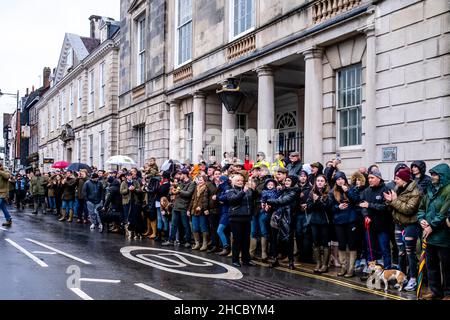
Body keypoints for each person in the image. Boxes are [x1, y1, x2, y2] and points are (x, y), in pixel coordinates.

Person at [383, 167, 421, 291]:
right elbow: (393, 208)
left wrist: (394, 201)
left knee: (410, 253)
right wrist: (389, 202)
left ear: (404, 179)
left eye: (397, 178)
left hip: (410, 225)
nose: (395, 180)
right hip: (398, 224)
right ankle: (401, 278)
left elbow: (409, 209)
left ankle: (413, 279)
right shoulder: (397, 189)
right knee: (401, 253)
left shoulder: (415, 191)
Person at [418, 163, 450, 300]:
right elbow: (421, 208)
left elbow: (444, 213)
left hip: (444, 237)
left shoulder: (448, 190)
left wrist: (431, 226)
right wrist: (422, 220)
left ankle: (448, 294)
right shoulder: (430, 189)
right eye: (431, 174)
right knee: (431, 266)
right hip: (429, 236)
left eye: (435, 174)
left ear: (443, 175)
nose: (432, 177)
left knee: (447, 268)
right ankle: (435, 291)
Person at [359, 169, 393, 270]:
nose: (369, 180)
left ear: (379, 178)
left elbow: (385, 207)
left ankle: (387, 270)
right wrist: (366, 216)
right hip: (370, 226)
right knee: (370, 250)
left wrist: (369, 205)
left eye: (372, 178)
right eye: (369, 178)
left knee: (384, 250)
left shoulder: (385, 189)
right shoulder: (366, 191)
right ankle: (372, 271)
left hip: (383, 226)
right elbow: (362, 206)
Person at [329, 171, 360, 278]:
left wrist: (349, 192)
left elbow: (357, 201)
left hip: (351, 220)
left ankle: (351, 269)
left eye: (341, 178)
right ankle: (343, 267)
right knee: (341, 244)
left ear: (345, 179)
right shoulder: (332, 192)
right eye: (337, 179)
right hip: (339, 221)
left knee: (352, 245)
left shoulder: (352, 188)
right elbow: (330, 207)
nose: (340, 181)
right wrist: (338, 207)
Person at [266, 175, 300, 270]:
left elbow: (282, 201)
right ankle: (275, 259)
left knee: (288, 241)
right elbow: (277, 201)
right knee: (274, 240)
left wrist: (268, 201)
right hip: (277, 218)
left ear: (293, 182)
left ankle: (291, 261)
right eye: (286, 180)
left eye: (289, 180)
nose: (287, 182)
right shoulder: (283, 190)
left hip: (288, 219)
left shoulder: (294, 191)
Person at [225, 173, 256, 267]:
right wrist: (243, 191)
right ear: (233, 182)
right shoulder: (230, 191)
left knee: (246, 240)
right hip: (236, 218)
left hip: (247, 218)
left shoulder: (247, 190)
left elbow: (255, 197)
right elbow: (234, 200)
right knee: (237, 240)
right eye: (238, 180)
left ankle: (246, 259)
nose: (240, 182)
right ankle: (235, 260)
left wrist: (253, 188)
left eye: (241, 180)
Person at [307, 175, 332, 273]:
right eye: (318, 181)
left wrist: (318, 200)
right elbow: (309, 207)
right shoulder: (311, 192)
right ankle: (318, 263)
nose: (320, 182)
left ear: (325, 182)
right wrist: (315, 202)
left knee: (325, 243)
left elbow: (327, 207)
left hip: (325, 222)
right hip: (314, 221)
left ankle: (325, 265)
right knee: (316, 242)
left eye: (322, 181)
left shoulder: (329, 193)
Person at [165, 169, 195, 247]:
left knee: (186, 225)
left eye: (180, 174)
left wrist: (178, 191)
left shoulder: (191, 183)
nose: (178, 176)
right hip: (176, 206)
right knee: (173, 225)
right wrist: (172, 190)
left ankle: (188, 241)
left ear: (185, 175)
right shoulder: (180, 183)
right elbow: (174, 191)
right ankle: (171, 240)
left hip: (184, 207)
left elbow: (188, 194)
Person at [259, 178, 279, 263]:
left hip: (274, 212)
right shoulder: (264, 192)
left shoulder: (276, 192)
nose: (270, 186)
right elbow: (263, 200)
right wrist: (263, 204)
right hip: (266, 212)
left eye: (272, 185)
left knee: (272, 233)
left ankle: (272, 252)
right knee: (266, 232)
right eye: (269, 185)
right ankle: (266, 251)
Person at [188, 175, 210, 251]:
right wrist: (188, 209)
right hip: (194, 210)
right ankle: (197, 243)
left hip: (202, 211)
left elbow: (206, 200)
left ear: (205, 181)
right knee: (195, 227)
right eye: (199, 180)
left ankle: (205, 244)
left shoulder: (206, 188)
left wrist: (201, 207)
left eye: (201, 180)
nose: (200, 181)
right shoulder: (196, 188)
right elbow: (192, 199)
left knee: (203, 227)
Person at [295, 170, 313, 263]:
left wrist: (307, 205)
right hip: (298, 213)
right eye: (301, 176)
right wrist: (299, 204)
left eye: (304, 176)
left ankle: (307, 256)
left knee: (307, 234)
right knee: (298, 234)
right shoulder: (295, 187)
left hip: (307, 212)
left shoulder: (310, 187)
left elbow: (311, 199)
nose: (303, 177)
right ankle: (300, 254)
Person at [216, 175, 231, 256]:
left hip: (227, 213)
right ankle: (225, 247)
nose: (220, 182)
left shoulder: (227, 187)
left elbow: (225, 197)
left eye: (221, 181)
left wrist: (219, 198)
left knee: (220, 230)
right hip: (223, 212)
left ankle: (226, 248)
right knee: (225, 231)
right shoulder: (222, 188)